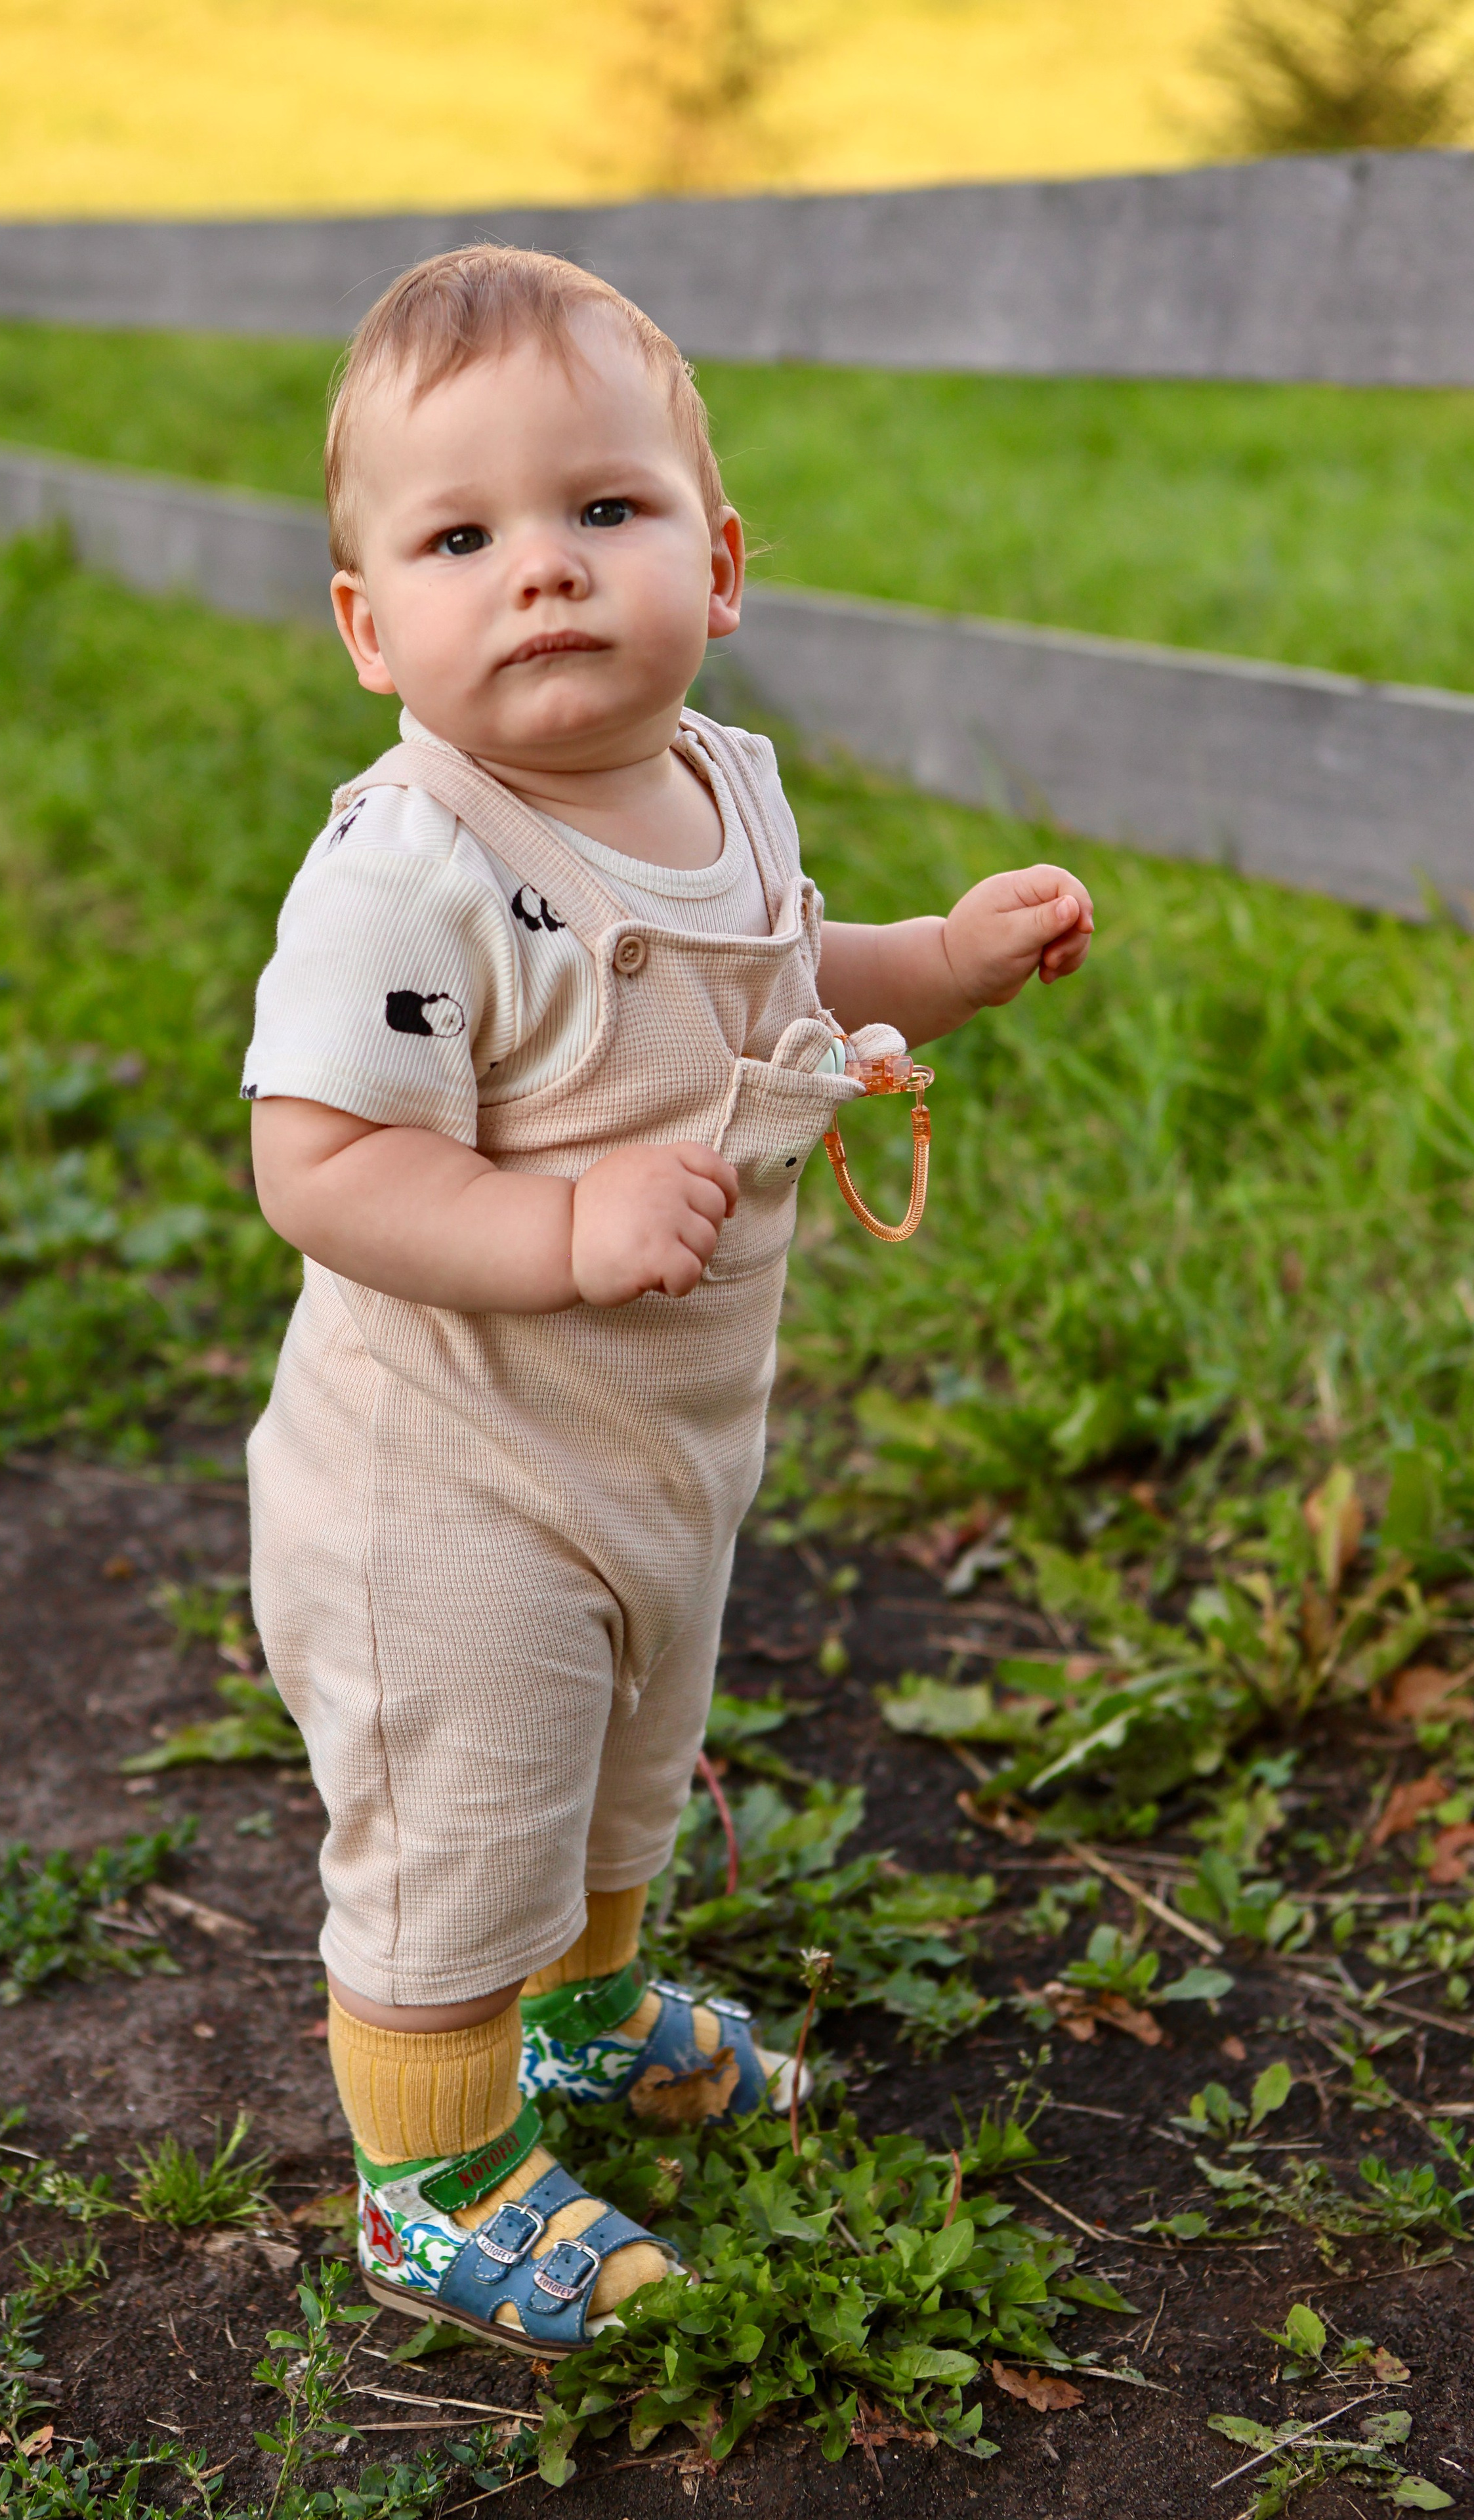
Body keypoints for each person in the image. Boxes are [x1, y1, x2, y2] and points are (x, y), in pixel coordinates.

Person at [243, 245, 1093, 2355]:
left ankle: (592, 2015)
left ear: (715, 565)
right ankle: (427, 2178)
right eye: (461, 536)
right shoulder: (406, 871)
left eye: (600, 513)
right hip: (442, 1479)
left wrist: (938, 966)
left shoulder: (729, 786)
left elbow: (791, 975)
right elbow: (317, 1163)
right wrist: (555, 1229)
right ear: (373, 626)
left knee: (623, 1758)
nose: (540, 570)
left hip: (658, 1445)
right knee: (468, 1812)